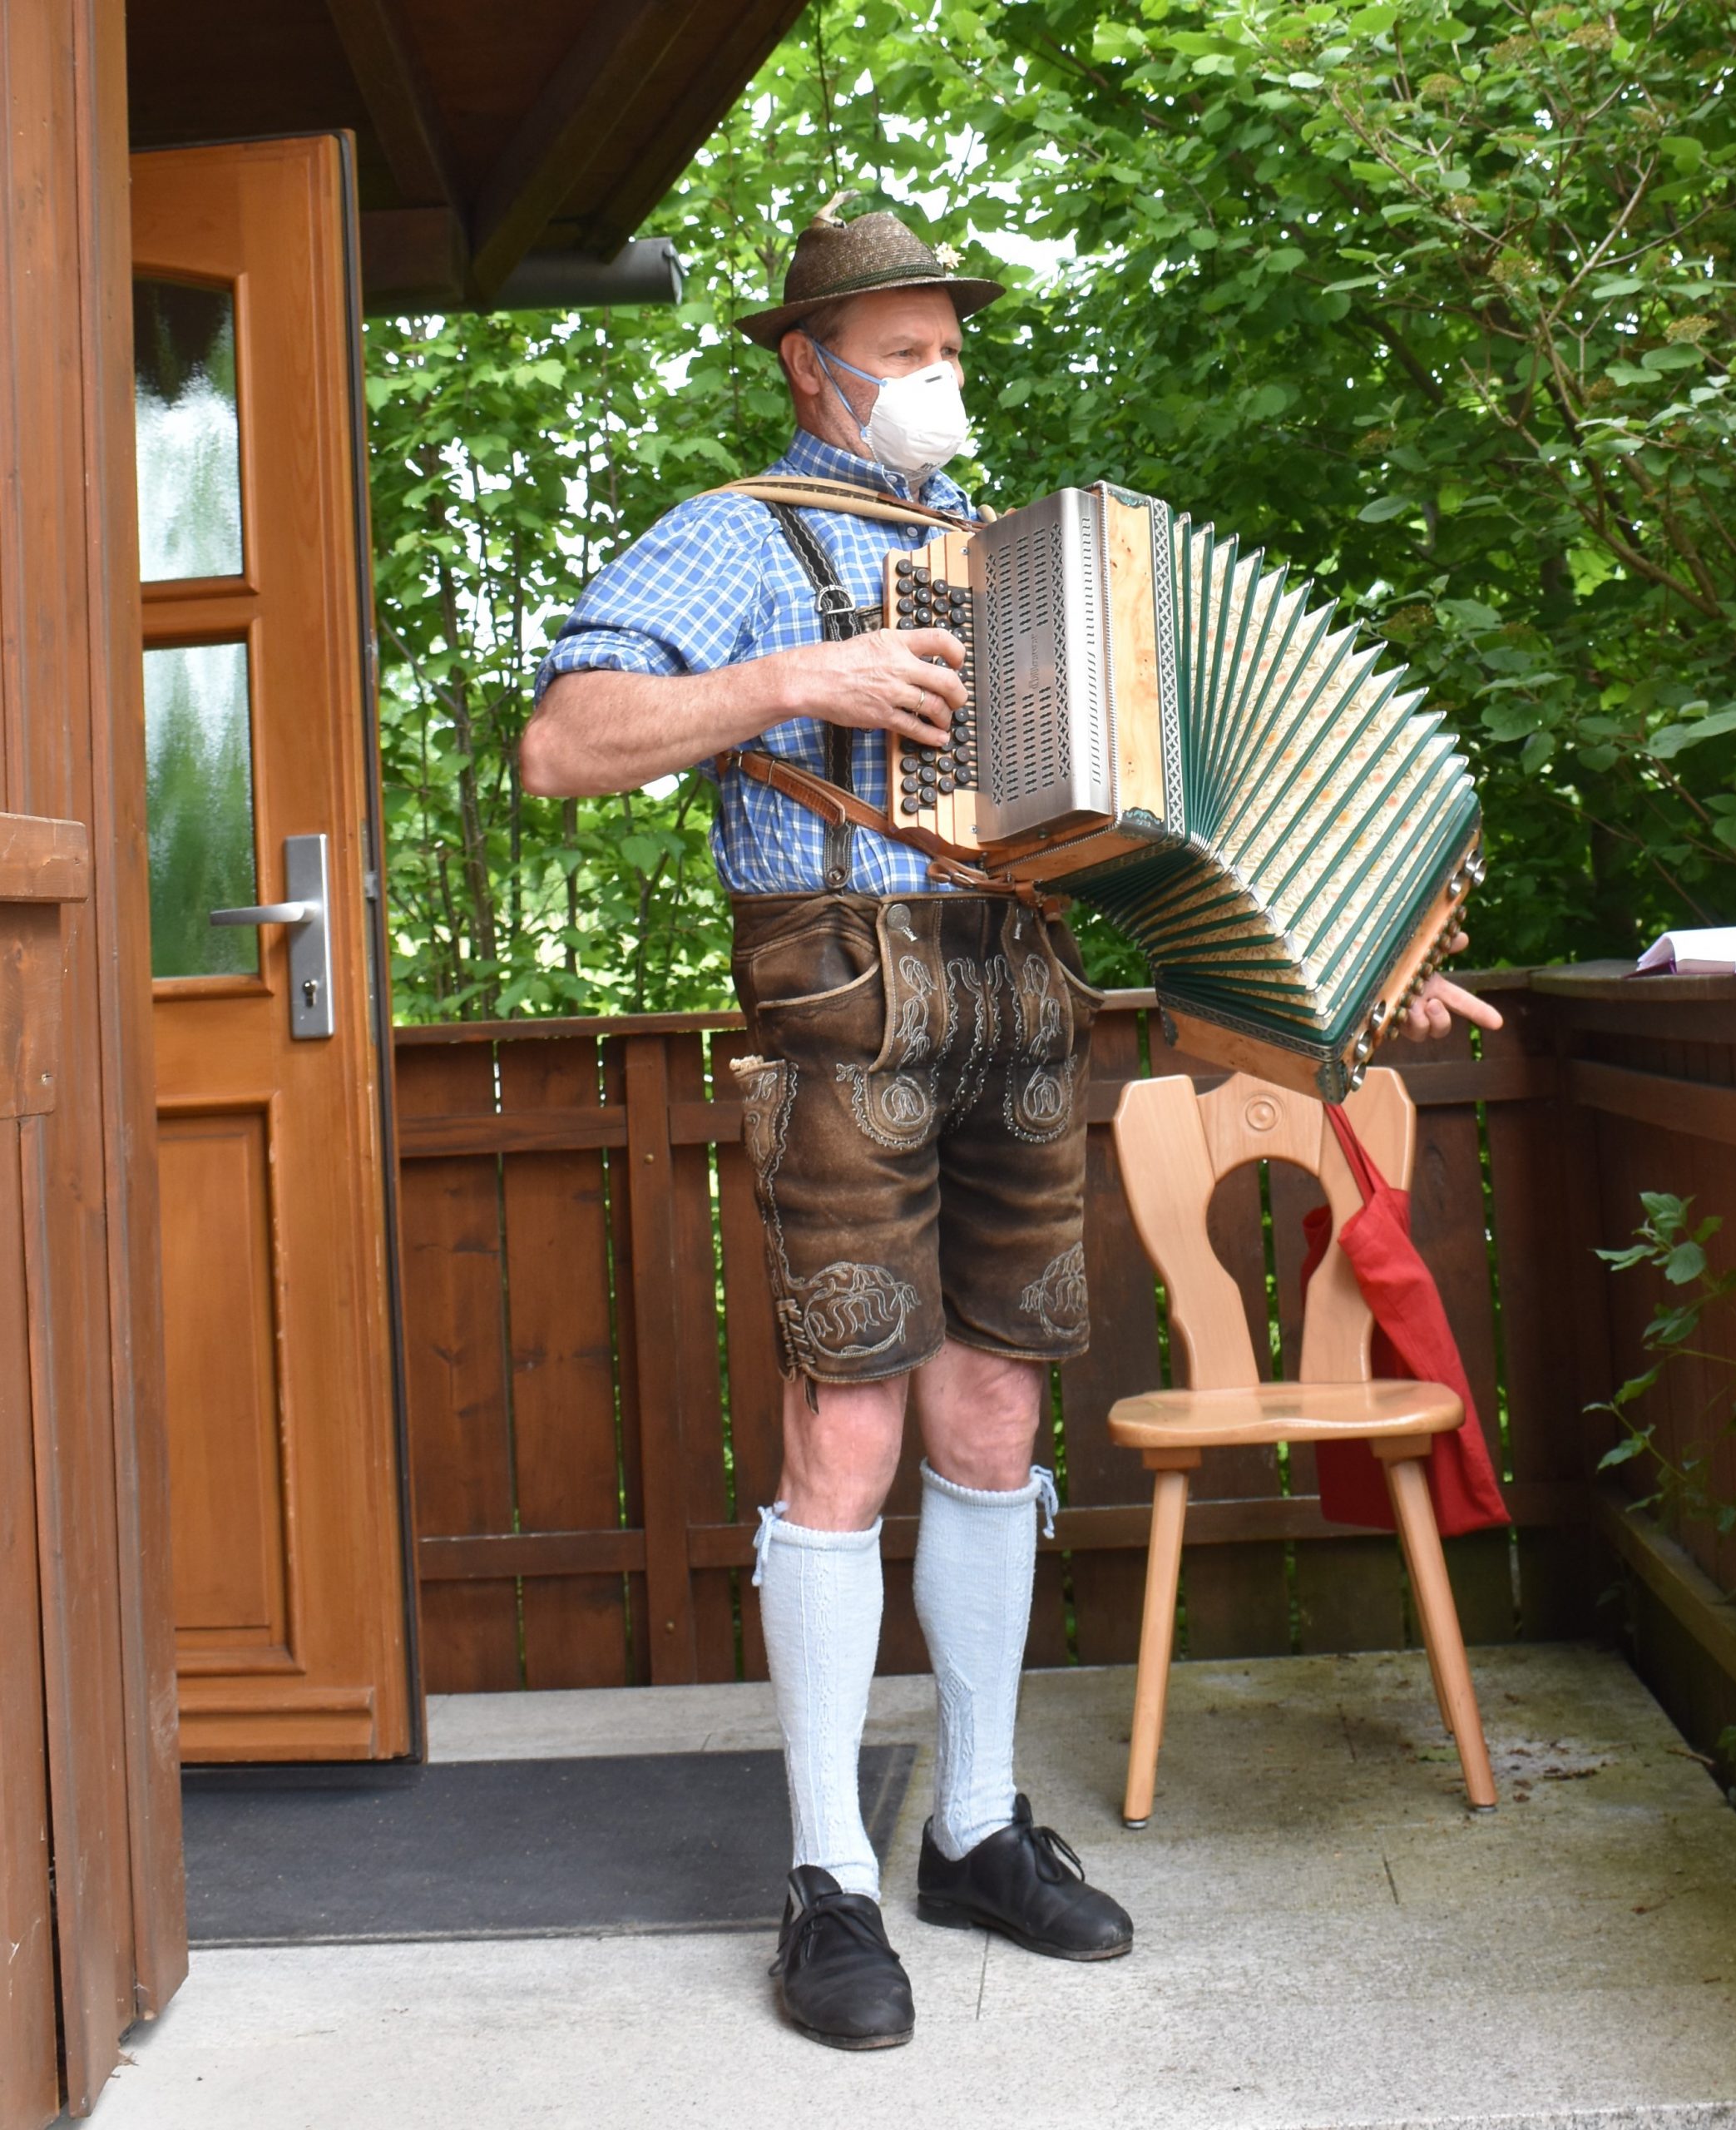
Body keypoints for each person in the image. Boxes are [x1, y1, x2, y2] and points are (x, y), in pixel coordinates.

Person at [521, 195, 1504, 2053]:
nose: (935, 377)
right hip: (843, 1000)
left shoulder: (1014, 568)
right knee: (848, 1420)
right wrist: (793, 678)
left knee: (990, 1414)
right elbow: (562, 744)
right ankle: (829, 1873)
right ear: (809, 366)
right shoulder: (735, 534)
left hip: (1022, 1002)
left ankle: (972, 1825)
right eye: (900, 352)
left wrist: (1367, 970)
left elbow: (1177, 829)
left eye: (947, 349)